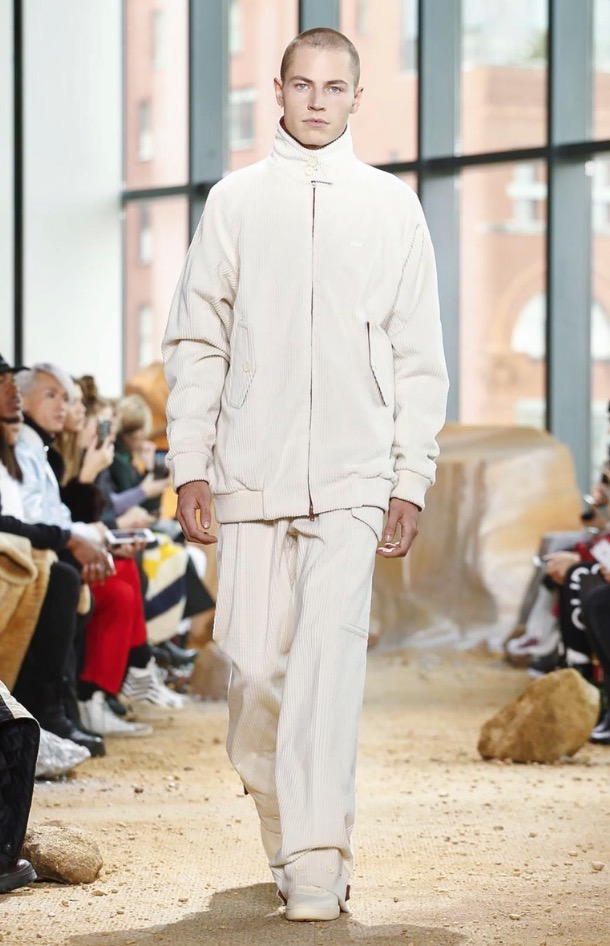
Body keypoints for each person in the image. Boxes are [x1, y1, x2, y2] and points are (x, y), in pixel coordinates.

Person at [163, 28, 448, 922]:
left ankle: (318, 862)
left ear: (357, 98)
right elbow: (198, 341)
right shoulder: (235, 203)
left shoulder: (393, 208)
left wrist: (409, 477)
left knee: (328, 665)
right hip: (250, 469)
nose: (317, 101)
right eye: (302, 85)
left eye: (334, 87)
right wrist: (190, 466)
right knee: (253, 672)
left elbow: (419, 356)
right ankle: (288, 825)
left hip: (357, 475)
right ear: (279, 92)